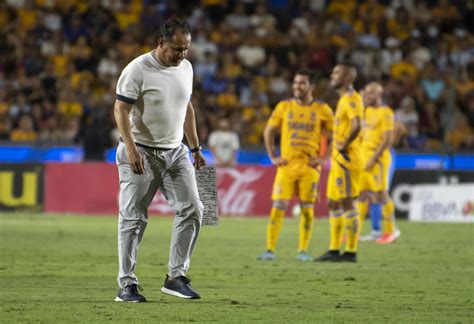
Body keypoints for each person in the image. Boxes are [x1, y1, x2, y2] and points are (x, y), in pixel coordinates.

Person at [113, 18, 206, 302]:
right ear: (161, 42)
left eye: (186, 49)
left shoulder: (186, 68)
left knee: (194, 208)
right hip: (141, 151)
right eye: (177, 48)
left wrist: (196, 147)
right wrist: (131, 148)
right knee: (133, 218)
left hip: (176, 152)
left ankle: (176, 277)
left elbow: (186, 107)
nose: (181, 55)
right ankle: (126, 284)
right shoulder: (138, 69)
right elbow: (120, 110)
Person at [257, 69, 334, 262]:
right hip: (287, 166)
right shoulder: (284, 106)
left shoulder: (322, 109)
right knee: (278, 206)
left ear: (311, 87)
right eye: (295, 83)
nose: (297, 86)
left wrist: (324, 158)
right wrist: (273, 156)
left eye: (302, 83)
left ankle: (302, 251)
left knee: (307, 209)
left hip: (309, 167)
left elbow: (337, 135)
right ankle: (270, 249)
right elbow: (268, 131)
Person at [314, 63, 363, 263]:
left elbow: (357, 124)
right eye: (333, 72)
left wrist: (344, 144)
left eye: (337, 73)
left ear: (348, 77)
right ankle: (334, 250)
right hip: (338, 159)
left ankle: (350, 252)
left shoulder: (352, 99)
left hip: (348, 159)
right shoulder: (343, 99)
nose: (332, 75)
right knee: (333, 202)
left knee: (348, 202)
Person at [356, 82, 400, 244]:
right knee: (362, 194)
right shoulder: (366, 111)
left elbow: (388, 139)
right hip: (364, 159)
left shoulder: (386, 112)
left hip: (378, 160)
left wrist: (374, 158)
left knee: (380, 194)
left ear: (378, 95)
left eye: (370, 93)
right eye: (366, 93)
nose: (367, 96)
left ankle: (391, 231)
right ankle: (356, 232)